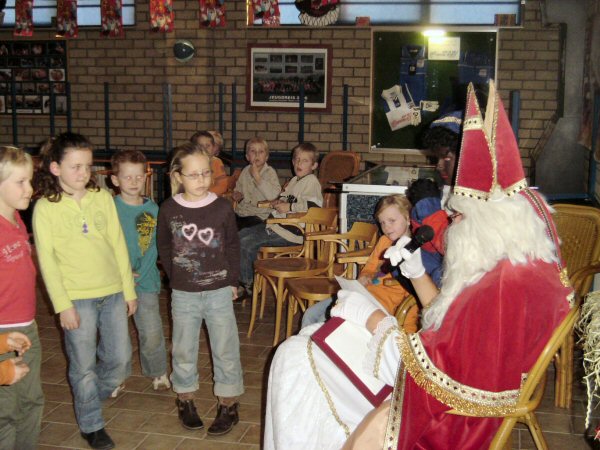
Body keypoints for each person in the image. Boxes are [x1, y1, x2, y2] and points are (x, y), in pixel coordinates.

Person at [264, 81, 574, 449]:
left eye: (458, 215)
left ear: (487, 216)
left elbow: (441, 376)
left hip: (446, 416)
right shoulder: (506, 256)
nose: (451, 222)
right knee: (301, 351)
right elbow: (448, 320)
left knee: (297, 357)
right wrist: (417, 272)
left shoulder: (505, 283)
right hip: (439, 387)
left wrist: (373, 320)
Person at [33, 132, 137, 450]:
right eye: (75, 166)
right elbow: (47, 262)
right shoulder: (45, 208)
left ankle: (92, 392)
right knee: (82, 365)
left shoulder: (101, 198)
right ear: (55, 168)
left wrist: (128, 290)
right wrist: (62, 305)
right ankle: (91, 423)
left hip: (112, 292)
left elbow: (118, 246)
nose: (83, 173)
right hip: (77, 297)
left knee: (121, 360)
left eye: (88, 166)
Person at [157, 142, 243, 436]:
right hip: (184, 293)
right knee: (183, 347)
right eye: (193, 175)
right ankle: (185, 398)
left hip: (219, 290)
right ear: (178, 176)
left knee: (225, 347)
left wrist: (233, 280)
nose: (201, 180)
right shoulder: (168, 209)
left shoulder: (221, 207)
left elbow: (232, 245)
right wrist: (176, 277)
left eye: (206, 173)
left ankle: (228, 403)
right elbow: (165, 247)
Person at [301, 194, 419, 332]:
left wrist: (407, 331)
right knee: (310, 314)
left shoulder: (414, 252)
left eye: (392, 220)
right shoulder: (384, 241)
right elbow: (369, 268)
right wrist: (365, 275)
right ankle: (307, 350)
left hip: (378, 307)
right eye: (382, 223)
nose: (387, 227)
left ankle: (316, 350)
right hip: (361, 294)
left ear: (408, 219)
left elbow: (414, 298)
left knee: (324, 322)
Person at [110, 150, 170, 391]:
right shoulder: (109, 209)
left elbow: (154, 249)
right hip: (114, 283)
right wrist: (121, 275)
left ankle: (157, 371)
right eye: (127, 177)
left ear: (146, 176)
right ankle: (116, 376)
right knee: (116, 335)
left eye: (138, 176)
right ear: (115, 180)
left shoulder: (153, 210)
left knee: (151, 331)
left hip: (145, 282)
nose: (134, 182)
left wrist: (139, 276)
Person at [0, 146, 44, 450]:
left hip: (26, 327)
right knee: (5, 412)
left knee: (32, 400)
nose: (30, 188)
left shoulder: (16, 218)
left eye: (30, 180)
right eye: (21, 182)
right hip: (2, 333)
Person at [238, 142, 323, 294]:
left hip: (291, 232)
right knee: (239, 236)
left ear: (314, 165)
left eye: (304, 161)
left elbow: (313, 207)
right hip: (275, 227)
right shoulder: (294, 181)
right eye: (296, 159)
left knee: (245, 243)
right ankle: (246, 280)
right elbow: (285, 201)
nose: (299, 163)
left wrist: (289, 207)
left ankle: (248, 285)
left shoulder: (311, 182)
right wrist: (278, 202)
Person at [232, 137, 281, 230]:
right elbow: (238, 188)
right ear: (247, 157)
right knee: (224, 223)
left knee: (246, 231)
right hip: (242, 213)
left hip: (260, 216)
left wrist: (258, 178)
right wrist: (238, 194)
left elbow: (273, 195)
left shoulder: (270, 172)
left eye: (261, 152)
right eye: (253, 151)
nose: (257, 154)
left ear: (266, 157)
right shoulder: (245, 171)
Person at [190, 131, 228, 196]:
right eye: (201, 146)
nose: (204, 149)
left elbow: (222, 185)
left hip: (211, 197)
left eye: (208, 145)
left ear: (213, 147)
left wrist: (207, 195)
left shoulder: (217, 162)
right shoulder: (189, 163)